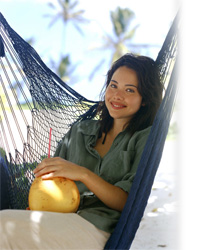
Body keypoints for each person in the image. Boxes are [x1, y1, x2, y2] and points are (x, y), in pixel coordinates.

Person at [0, 53, 163, 249]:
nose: (117, 95)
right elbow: (51, 183)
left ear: (144, 99)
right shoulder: (80, 130)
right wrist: (39, 205)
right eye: (113, 85)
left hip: (98, 228)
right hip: (59, 222)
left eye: (130, 90)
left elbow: (127, 203)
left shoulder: (144, 138)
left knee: (3, 224)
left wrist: (83, 174)